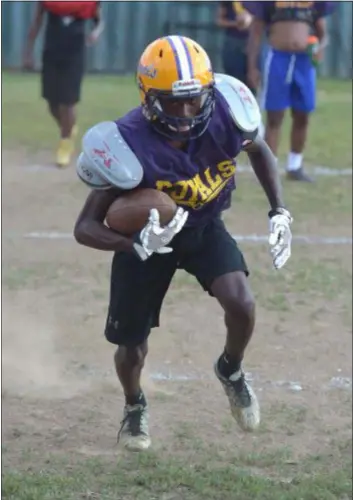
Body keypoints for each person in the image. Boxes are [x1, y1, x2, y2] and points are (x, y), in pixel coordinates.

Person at [73, 35, 293, 452]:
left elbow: (258, 147)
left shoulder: (228, 111)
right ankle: (134, 405)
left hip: (202, 225)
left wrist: (278, 209)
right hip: (147, 239)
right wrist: (134, 244)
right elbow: (84, 226)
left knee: (242, 303)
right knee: (131, 347)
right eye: (173, 102)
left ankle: (230, 370)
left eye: (193, 99)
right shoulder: (127, 140)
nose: (186, 111)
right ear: (148, 98)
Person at [245, 1, 335, 182]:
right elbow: (256, 32)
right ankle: (269, 167)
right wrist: (252, 66)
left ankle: (295, 166)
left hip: (304, 61)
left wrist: (320, 48)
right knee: (274, 116)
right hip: (278, 57)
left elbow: (323, 34)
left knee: (303, 114)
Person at [23, 1, 104, 167]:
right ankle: (68, 129)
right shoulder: (49, 3)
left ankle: (65, 143)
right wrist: (28, 51)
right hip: (52, 53)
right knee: (52, 103)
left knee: (67, 102)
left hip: (74, 54)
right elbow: (37, 22)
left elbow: (99, 21)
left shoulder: (86, 3)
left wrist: (96, 32)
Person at [216, 2, 255, 93]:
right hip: (233, 41)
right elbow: (219, 20)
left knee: (252, 79)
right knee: (233, 79)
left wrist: (251, 22)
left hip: (253, 42)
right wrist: (237, 24)